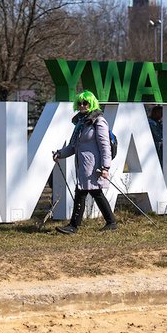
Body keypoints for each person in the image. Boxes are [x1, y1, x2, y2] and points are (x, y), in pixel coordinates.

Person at [52, 91, 116, 234]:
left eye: (85, 103)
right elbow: (73, 146)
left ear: (92, 104)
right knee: (93, 192)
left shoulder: (99, 121)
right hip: (82, 166)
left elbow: (105, 146)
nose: (81, 105)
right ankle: (110, 222)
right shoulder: (81, 123)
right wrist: (60, 153)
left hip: (94, 167)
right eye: (79, 103)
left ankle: (74, 226)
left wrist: (105, 167)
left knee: (83, 192)